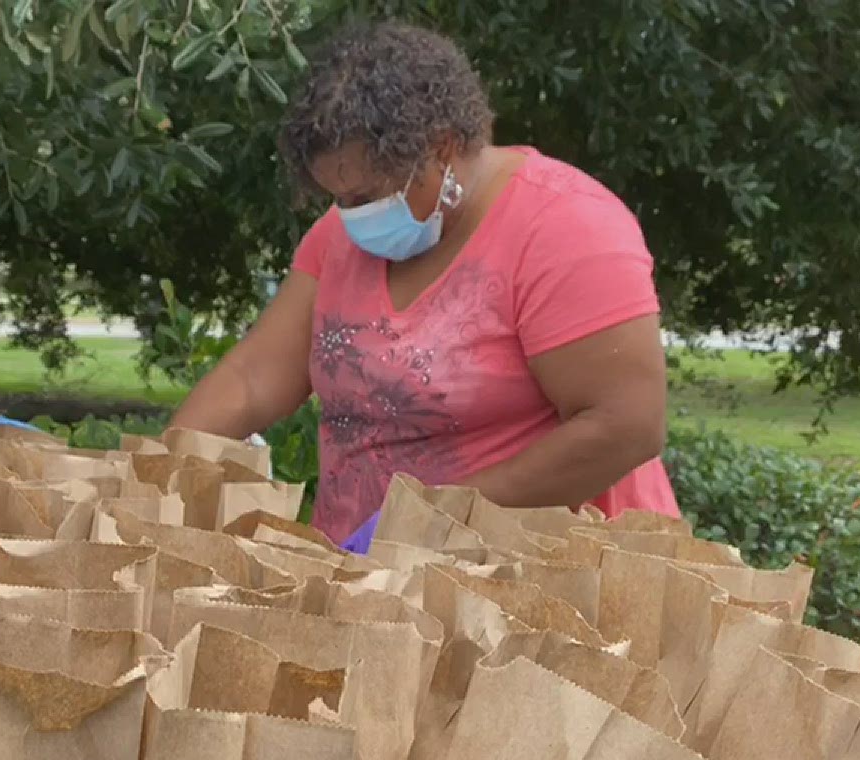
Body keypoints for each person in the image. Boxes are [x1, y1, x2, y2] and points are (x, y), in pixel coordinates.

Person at [168, 21, 679, 546]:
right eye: (337, 197)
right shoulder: (339, 238)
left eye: (367, 194)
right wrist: (157, 470)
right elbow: (254, 378)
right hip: (375, 576)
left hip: (534, 582)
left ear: (443, 147)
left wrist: (428, 522)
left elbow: (625, 427)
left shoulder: (565, 226)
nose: (350, 215)